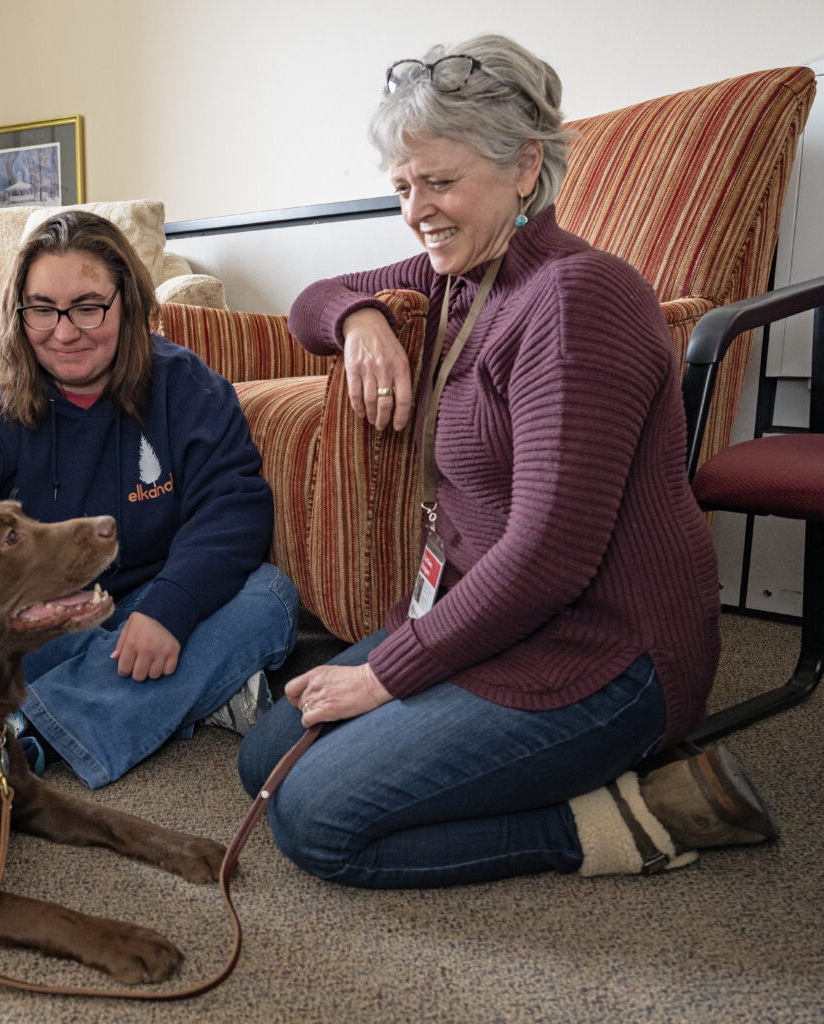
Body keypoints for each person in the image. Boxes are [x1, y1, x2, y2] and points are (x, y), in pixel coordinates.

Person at [238, 34, 778, 887]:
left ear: (526, 167)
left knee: (316, 820)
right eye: (404, 187)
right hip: (489, 627)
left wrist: (387, 675)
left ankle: (629, 817)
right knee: (263, 762)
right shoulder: (460, 272)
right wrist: (361, 318)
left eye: (441, 182)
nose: (417, 210)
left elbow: (551, 556)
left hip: (607, 653)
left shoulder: (576, 299)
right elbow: (313, 302)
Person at [0, 210, 298, 788]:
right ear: (19, 310)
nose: (64, 332)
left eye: (88, 307)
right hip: (40, 614)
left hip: (153, 591)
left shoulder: (185, 384)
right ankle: (182, 694)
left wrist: (172, 607)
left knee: (271, 599)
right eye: (42, 309)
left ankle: (22, 737)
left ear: (127, 302)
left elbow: (232, 506)